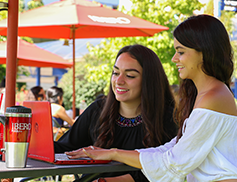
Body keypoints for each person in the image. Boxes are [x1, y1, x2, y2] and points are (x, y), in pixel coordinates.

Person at [66, 15, 237, 182]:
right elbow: (171, 148)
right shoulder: (205, 95)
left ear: (204, 52)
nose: (174, 58)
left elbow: (174, 164)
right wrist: (111, 153)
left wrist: (113, 153)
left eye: (181, 52)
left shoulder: (214, 97)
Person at [55, 44, 177, 182]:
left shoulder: (168, 118)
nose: (119, 81)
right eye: (116, 73)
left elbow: (164, 169)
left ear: (149, 80)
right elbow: (66, 147)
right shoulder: (98, 110)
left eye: (130, 75)